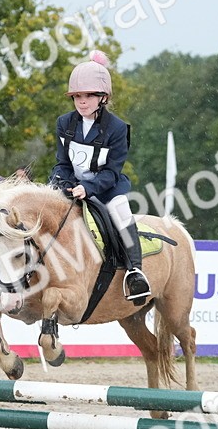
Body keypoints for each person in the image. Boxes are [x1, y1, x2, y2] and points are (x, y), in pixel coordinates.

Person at [48, 50, 149, 301]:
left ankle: (135, 271)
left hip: (106, 187)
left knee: (121, 208)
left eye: (90, 95)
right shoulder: (64, 123)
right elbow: (62, 163)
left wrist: (88, 188)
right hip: (71, 185)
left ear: (103, 97)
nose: (82, 102)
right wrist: (62, 183)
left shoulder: (117, 129)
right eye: (77, 96)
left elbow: (112, 172)